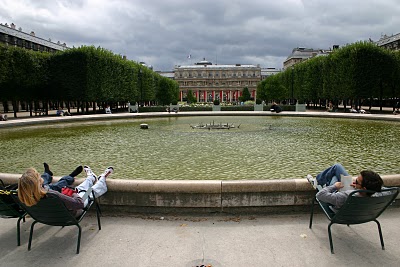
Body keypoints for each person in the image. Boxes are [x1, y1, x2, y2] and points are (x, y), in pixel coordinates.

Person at [17, 165, 113, 218]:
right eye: (38, 175)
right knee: (89, 192)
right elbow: (79, 204)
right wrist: (73, 193)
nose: (40, 176)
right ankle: (102, 179)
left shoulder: (25, 197)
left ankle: (91, 177)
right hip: (71, 213)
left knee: (79, 189)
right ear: (37, 182)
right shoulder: (52, 194)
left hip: (48, 217)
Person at [306, 163, 384, 212]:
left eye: (356, 181)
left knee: (335, 174)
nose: (354, 182)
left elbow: (319, 195)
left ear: (364, 188)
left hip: (339, 205)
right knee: (337, 169)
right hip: (356, 204)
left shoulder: (344, 196)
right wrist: (357, 187)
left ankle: (316, 183)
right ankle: (318, 182)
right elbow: (386, 189)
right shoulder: (378, 194)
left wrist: (334, 186)